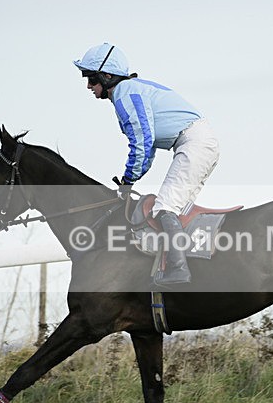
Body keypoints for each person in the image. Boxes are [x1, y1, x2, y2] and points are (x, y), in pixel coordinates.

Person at [74, 43, 219, 286]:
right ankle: (189, 263)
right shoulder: (130, 91)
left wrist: (129, 178)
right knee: (177, 209)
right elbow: (147, 147)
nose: (88, 85)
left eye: (90, 78)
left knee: (164, 208)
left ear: (107, 76)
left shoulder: (125, 93)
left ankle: (179, 269)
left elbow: (142, 141)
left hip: (193, 143)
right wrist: (131, 177)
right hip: (197, 142)